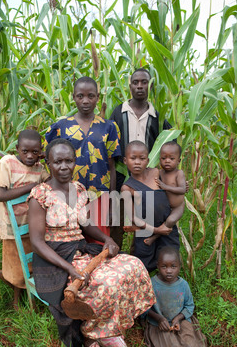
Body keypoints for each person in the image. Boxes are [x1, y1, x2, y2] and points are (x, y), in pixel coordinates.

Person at [27, 138, 156, 347]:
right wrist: (69, 268)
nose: (64, 166)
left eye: (69, 160)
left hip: (82, 249)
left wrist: (106, 239)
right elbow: (37, 242)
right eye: (58, 162)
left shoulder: (78, 188)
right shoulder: (40, 195)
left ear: (75, 162)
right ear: (48, 163)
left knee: (133, 267)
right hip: (56, 257)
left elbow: (84, 224)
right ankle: (89, 343)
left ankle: (109, 331)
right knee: (105, 283)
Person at [45, 76, 121, 242]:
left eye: (90, 96)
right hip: (68, 195)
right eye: (80, 96)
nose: (85, 101)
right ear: (73, 97)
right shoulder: (61, 127)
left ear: (97, 98)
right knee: (70, 241)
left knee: (99, 243)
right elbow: (48, 161)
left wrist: (112, 201)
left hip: (99, 195)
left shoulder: (109, 127)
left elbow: (112, 166)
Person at [141, 246, 220, 347]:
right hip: (159, 325)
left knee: (192, 343)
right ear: (157, 266)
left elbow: (189, 306)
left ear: (180, 266)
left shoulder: (183, 285)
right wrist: (159, 318)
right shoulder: (151, 284)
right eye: (164, 267)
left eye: (173, 266)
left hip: (181, 320)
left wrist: (178, 318)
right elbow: (143, 307)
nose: (169, 271)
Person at [109, 68, 173, 248]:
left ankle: (145, 257)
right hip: (123, 174)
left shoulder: (157, 116)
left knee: (147, 215)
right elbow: (110, 141)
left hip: (148, 177)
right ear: (130, 86)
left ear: (150, 86)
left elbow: (168, 143)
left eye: (144, 82)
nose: (139, 86)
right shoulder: (118, 112)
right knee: (118, 215)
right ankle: (116, 252)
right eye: (135, 82)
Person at [0, 129, 49, 308]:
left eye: (35, 152)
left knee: (30, 262)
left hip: (32, 225)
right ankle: (16, 299)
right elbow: (2, 195)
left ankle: (25, 292)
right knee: (16, 268)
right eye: (25, 151)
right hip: (12, 226)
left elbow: (50, 184)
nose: (30, 156)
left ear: (40, 151)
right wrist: (33, 186)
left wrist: (47, 160)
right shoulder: (7, 163)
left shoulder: (40, 168)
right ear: (17, 148)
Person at [121, 140, 180, 273]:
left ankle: (166, 291)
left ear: (147, 160)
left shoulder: (156, 173)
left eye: (142, 159)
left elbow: (172, 187)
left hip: (167, 229)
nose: (137, 162)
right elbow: (133, 218)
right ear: (125, 160)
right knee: (144, 267)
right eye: (133, 158)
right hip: (145, 233)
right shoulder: (126, 188)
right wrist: (156, 230)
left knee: (169, 264)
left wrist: (182, 187)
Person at [143, 140, 188, 246]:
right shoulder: (159, 172)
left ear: (178, 160)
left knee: (170, 220)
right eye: (164, 158)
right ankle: (158, 233)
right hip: (165, 207)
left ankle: (155, 236)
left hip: (177, 207)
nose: (167, 161)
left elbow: (182, 189)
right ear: (159, 160)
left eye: (171, 159)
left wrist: (165, 187)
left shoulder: (178, 173)